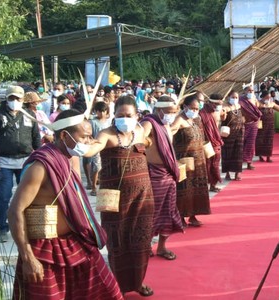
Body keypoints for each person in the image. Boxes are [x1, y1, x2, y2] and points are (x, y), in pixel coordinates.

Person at [7, 110, 123, 299]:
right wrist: (28, 257)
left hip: (76, 242)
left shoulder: (68, 159)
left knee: (109, 292)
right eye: (84, 137)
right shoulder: (41, 167)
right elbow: (15, 211)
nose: (89, 141)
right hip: (44, 252)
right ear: (63, 135)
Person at [86, 96, 155, 297]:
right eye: (120, 115)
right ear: (114, 116)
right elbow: (94, 148)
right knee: (117, 243)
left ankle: (137, 282)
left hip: (143, 196)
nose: (125, 118)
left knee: (141, 243)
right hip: (113, 199)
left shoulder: (141, 131)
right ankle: (117, 286)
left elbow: (155, 131)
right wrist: (81, 147)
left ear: (136, 115)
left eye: (129, 115)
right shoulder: (106, 134)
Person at [0, 86, 42, 242]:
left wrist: (41, 157)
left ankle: (28, 226)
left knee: (29, 196)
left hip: (26, 161)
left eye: (18, 98)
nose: (15, 101)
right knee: (3, 196)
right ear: (6, 98)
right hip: (3, 161)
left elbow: (36, 138)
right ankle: (2, 228)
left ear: (23, 99)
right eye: (11, 98)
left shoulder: (29, 114)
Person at [141, 96, 185, 260]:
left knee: (169, 212)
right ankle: (145, 247)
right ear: (159, 110)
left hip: (169, 175)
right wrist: (143, 140)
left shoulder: (166, 125)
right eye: (169, 112)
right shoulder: (149, 123)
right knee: (152, 212)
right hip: (155, 176)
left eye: (174, 112)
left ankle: (161, 247)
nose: (172, 115)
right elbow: (141, 135)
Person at [173, 95, 211, 227]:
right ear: (185, 107)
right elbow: (168, 133)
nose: (195, 110)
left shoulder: (195, 119)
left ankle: (193, 215)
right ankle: (181, 217)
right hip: (184, 160)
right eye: (192, 108)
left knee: (196, 189)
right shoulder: (179, 120)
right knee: (184, 189)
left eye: (197, 108)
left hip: (198, 160)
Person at [200, 93, 225, 192]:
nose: (217, 106)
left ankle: (213, 185)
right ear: (210, 103)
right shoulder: (201, 113)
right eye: (216, 104)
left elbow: (223, 118)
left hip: (216, 141)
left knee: (215, 164)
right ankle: (205, 186)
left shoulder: (218, 111)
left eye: (219, 104)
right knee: (206, 165)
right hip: (205, 142)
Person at [255, 90, 279, 162]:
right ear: (263, 97)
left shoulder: (272, 104)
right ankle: (260, 155)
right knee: (260, 139)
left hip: (270, 124)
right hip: (260, 123)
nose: (268, 99)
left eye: (269, 98)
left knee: (269, 140)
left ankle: (268, 156)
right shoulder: (258, 103)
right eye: (266, 98)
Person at [88, 101, 112, 196]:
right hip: (96, 147)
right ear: (96, 111)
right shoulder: (93, 122)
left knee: (105, 167)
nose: (102, 113)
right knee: (96, 167)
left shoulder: (109, 122)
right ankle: (93, 186)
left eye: (104, 111)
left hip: (107, 148)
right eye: (99, 111)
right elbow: (89, 134)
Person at [221, 91, 245, 181]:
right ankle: (227, 173)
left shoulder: (239, 106)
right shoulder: (225, 108)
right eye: (233, 97)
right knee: (227, 153)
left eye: (236, 97)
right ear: (228, 97)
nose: (234, 99)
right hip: (228, 134)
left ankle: (237, 173)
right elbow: (222, 116)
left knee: (238, 153)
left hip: (239, 132)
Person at [240, 85, 263, 170]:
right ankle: (240, 162)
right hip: (243, 125)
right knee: (242, 143)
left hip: (254, 124)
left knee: (251, 144)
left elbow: (259, 108)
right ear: (245, 91)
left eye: (252, 91)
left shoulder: (254, 100)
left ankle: (249, 162)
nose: (250, 92)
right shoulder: (240, 101)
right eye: (249, 91)